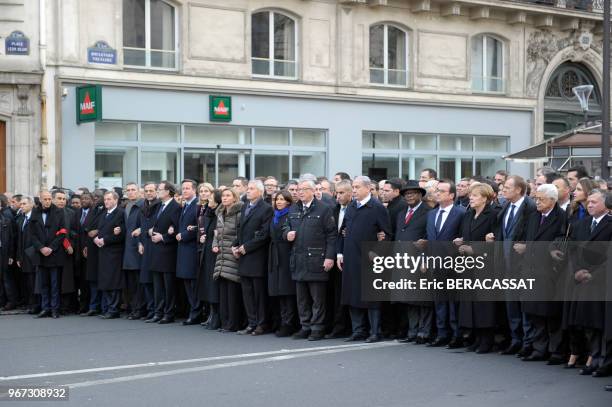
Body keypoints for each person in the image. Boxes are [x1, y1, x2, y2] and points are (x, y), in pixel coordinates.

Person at [564, 189, 612, 375]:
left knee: (601, 324)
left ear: (605, 204)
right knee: (588, 324)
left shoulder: (609, 224)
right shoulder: (581, 224)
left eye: (594, 202)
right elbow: (573, 250)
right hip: (581, 281)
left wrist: (593, 274)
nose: (590, 205)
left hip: (601, 281)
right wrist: (577, 271)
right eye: (589, 202)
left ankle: (602, 361)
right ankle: (593, 358)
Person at [337, 176, 391, 343]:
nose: (354, 190)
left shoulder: (377, 207)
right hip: (351, 256)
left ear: (368, 188)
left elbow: (387, 233)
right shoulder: (351, 206)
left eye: (357, 187)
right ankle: (357, 330)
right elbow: (343, 231)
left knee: (371, 297)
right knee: (353, 295)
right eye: (353, 187)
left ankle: (375, 331)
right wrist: (340, 254)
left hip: (370, 258)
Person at [284, 180, 337, 341]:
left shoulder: (324, 209)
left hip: (316, 260)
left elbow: (331, 235)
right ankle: (305, 326)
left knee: (317, 299)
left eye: (304, 189)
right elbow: (285, 226)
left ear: (313, 191)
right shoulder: (293, 208)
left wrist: (329, 257)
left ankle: (317, 328)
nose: (300, 192)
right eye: (298, 189)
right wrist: (287, 233)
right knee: (302, 299)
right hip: (298, 260)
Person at [520, 184, 567, 363]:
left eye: (541, 199)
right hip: (531, 270)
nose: (537, 202)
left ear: (553, 200)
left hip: (550, 272)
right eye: (535, 198)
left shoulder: (562, 217)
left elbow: (562, 241)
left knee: (551, 314)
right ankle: (539, 348)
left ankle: (556, 351)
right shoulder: (533, 217)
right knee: (535, 313)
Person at [490, 175, 536, 356]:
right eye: (503, 186)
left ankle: (528, 342)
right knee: (511, 305)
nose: (503, 189)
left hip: (522, 265)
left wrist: (527, 247)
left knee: (523, 304)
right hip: (506, 264)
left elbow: (533, 233)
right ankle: (515, 340)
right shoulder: (506, 206)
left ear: (519, 189)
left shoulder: (530, 207)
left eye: (508, 186)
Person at [455, 182, 498, 354]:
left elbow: (494, 242)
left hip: (485, 265)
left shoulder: (493, 214)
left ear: (485, 198)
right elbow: (467, 236)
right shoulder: (468, 215)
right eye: (470, 195)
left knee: (484, 304)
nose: (470, 198)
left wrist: (474, 249)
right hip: (468, 264)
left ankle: (486, 340)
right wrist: (460, 242)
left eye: (474, 195)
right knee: (471, 303)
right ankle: (476, 337)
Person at [425, 180, 466, 348]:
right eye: (436, 191)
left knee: (453, 301)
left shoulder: (461, 213)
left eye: (441, 191)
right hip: (435, 263)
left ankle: (456, 334)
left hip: (453, 264)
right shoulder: (431, 214)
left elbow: (463, 237)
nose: (437, 193)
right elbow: (429, 239)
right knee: (439, 301)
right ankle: (442, 333)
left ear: (451, 195)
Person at [395, 180, 432, 344]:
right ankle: (413, 330)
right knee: (409, 299)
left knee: (422, 300)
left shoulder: (429, 212)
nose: (409, 196)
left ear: (420, 195)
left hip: (420, 261)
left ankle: (424, 331)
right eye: (406, 194)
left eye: (412, 193)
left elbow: (430, 238)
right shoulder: (401, 213)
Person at [235, 180, 273, 336]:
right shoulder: (245, 206)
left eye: (251, 189)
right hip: (244, 257)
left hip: (257, 257)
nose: (248, 191)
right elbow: (240, 229)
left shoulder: (266, 209)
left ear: (260, 191)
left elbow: (264, 234)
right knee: (247, 293)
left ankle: (261, 324)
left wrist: (246, 247)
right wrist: (235, 244)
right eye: (248, 188)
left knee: (259, 294)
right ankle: (251, 322)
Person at [146, 181, 181, 324]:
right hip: (155, 251)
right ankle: (158, 312)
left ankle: (168, 313)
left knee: (168, 286)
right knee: (158, 286)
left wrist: (164, 237)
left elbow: (177, 229)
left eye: (159, 189)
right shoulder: (158, 206)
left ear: (168, 191)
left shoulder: (176, 207)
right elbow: (153, 223)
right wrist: (150, 230)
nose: (157, 192)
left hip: (168, 252)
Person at [30, 191, 67, 319]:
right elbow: (32, 234)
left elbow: (63, 232)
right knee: (44, 284)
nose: (47, 201)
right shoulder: (35, 212)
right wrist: (41, 248)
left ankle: (55, 309)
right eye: (45, 199)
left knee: (55, 284)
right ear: (40, 200)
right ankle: (45, 308)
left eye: (49, 199)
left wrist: (51, 248)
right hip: (41, 254)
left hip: (54, 254)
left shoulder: (58, 212)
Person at [212, 188, 244, 332]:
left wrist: (235, 248)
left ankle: (233, 324)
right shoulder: (219, 213)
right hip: (221, 256)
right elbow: (217, 233)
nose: (224, 198)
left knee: (232, 294)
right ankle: (225, 323)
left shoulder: (238, 213)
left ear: (234, 198)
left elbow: (239, 233)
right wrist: (214, 244)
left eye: (228, 196)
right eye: (223, 196)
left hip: (233, 256)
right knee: (223, 293)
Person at [268, 190, 297, 337]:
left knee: (287, 291)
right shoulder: (274, 216)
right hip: (275, 254)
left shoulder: (290, 215)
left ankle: (289, 323)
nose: (278, 202)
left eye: (282, 199)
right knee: (278, 291)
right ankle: (281, 320)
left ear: (288, 201)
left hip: (286, 254)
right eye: (277, 199)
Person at [94, 191, 126, 319]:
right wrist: (96, 238)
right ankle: (107, 307)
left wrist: (105, 240)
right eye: (105, 199)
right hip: (103, 252)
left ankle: (114, 309)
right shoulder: (104, 214)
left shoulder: (120, 213)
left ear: (116, 200)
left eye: (109, 199)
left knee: (114, 282)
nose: (106, 201)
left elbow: (121, 234)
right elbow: (100, 230)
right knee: (106, 281)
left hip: (114, 253)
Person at [176, 179, 201, 325]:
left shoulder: (197, 205)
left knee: (193, 283)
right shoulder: (185, 205)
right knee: (187, 282)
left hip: (191, 249)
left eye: (187, 188)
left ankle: (196, 312)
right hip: (183, 250)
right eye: (183, 188)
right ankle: (193, 310)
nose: (184, 191)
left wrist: (184, 235)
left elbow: (198, 227)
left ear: (194, 190)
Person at [196, 185, 220, 329]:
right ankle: (211, 314)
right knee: (207, 285)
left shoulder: (218, 213)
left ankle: (216, 316)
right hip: (207, 251)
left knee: (213, 287)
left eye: (210, 197)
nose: (208, 199)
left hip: (214, 253)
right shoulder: (209, 212)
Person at [122, 183, 145, 320]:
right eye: (128, 190)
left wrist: (141, 230)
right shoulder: (127, 206)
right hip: (128, 248)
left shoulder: (142, 205)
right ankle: (133, 308)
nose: (130, 192)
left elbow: (148, 223)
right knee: (131, 281)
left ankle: (139, 309)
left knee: (138, 281)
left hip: (137, 247)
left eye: (133, 190)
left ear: (138, 191)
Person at [138, 183, 160, 320]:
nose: (149, 193)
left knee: (154, 281)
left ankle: (156, 310)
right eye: (146, 191)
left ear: (156, 192)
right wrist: (140, 241)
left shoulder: (159, 207)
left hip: (155, 246)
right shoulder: (143, 207)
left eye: (151, 190)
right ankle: (150, 309)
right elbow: (142, 226)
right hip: (145, 245)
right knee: (145, 280)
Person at [16, 196, 39, 314]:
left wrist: (32, 251)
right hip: (24, 255)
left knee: (33, 281)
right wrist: (19, 256)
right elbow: (19, 239)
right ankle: (30, 303)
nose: (21, 206)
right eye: (21, 204)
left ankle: (35, 305)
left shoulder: (36, 217)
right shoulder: (21, 219)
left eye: (24, 204)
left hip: (33, 254)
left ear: (31, 205)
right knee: (27, 281)